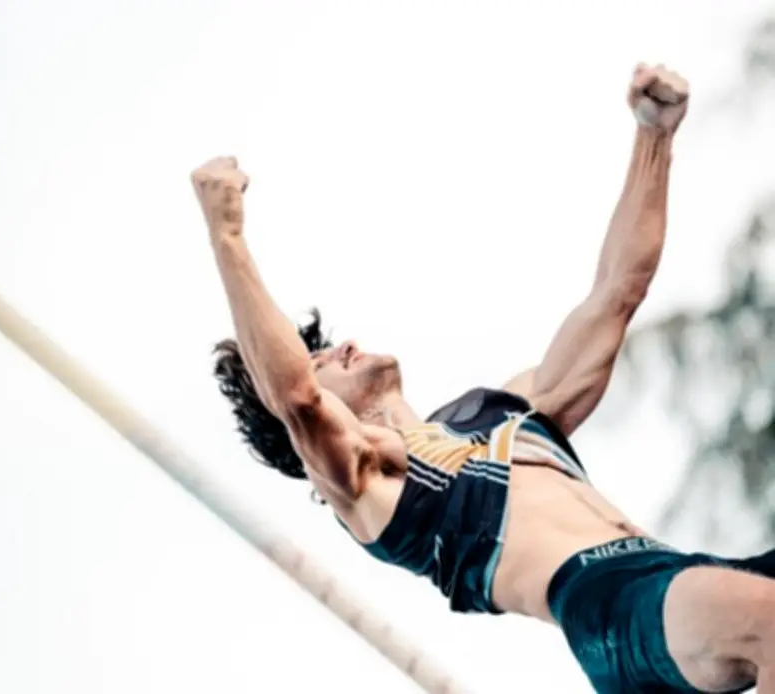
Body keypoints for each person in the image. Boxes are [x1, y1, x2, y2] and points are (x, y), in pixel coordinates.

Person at [194, 63, 775, 694]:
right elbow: (298, 400)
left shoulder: (503, 414)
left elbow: (616, 292)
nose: (344, 349)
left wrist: (653, 136)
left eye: (330, 347)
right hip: (611, 609)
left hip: (678, 578)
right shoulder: (372, 487)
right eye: (321, 360)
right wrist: (228, 235)